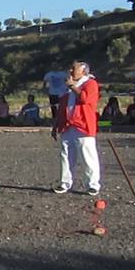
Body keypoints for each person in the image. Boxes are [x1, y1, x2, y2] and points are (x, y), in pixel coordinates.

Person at [51, 60, 101, 195]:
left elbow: (85, 99)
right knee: (66, 155)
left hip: (83, 126)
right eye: (71, 69)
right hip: (67, 125)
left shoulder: (90, 84)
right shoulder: (67, 87)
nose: (71, 72)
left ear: (84, 71)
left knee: (88, 156)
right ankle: (64, 183)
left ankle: (93, 184)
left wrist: (73, 86)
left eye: (74, 69)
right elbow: (62, 107)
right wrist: (56, 125)